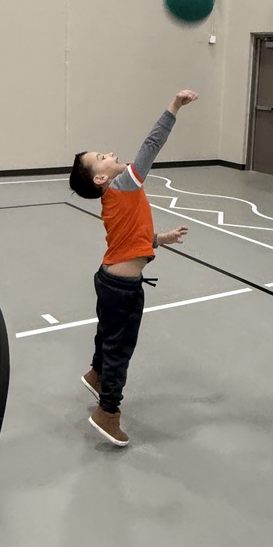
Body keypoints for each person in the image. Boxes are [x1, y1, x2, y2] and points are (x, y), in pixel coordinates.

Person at [69, 90, 198, 446]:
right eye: (101, 157)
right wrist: (174, 107)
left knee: (107, 337)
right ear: (100, 179)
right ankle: (107, 413)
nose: (110, 154)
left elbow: (130, 237)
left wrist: (159, 239)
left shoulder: (115, 198)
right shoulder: (124, 183)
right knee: (119, 349)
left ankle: (96, 375)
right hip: (122, 288)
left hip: (110, 280)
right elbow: (152, 144)